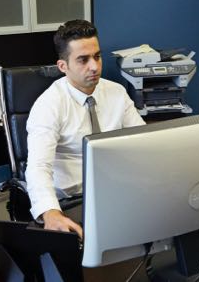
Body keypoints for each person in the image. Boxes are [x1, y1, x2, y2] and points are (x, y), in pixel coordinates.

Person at [25, 19, 145, 238]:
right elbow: (38, 167)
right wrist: (50, 213)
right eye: (83, 60)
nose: (95, 67)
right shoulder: (48, 106)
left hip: (116, 191)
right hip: (73, 201)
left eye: (97, 56)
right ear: (63, 66)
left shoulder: (116, 93)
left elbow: (144, 142)